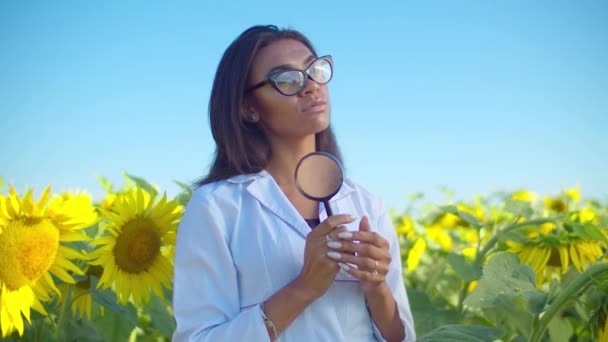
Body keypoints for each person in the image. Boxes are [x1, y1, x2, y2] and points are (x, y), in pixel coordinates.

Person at [172, 25, 416, 342]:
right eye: (286, 79)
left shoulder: (367, 205)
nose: (311, 86)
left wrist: (377, 287)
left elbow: (403, 337)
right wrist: (303, 288)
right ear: (248, 108)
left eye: (314, 69)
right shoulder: (216, 207)